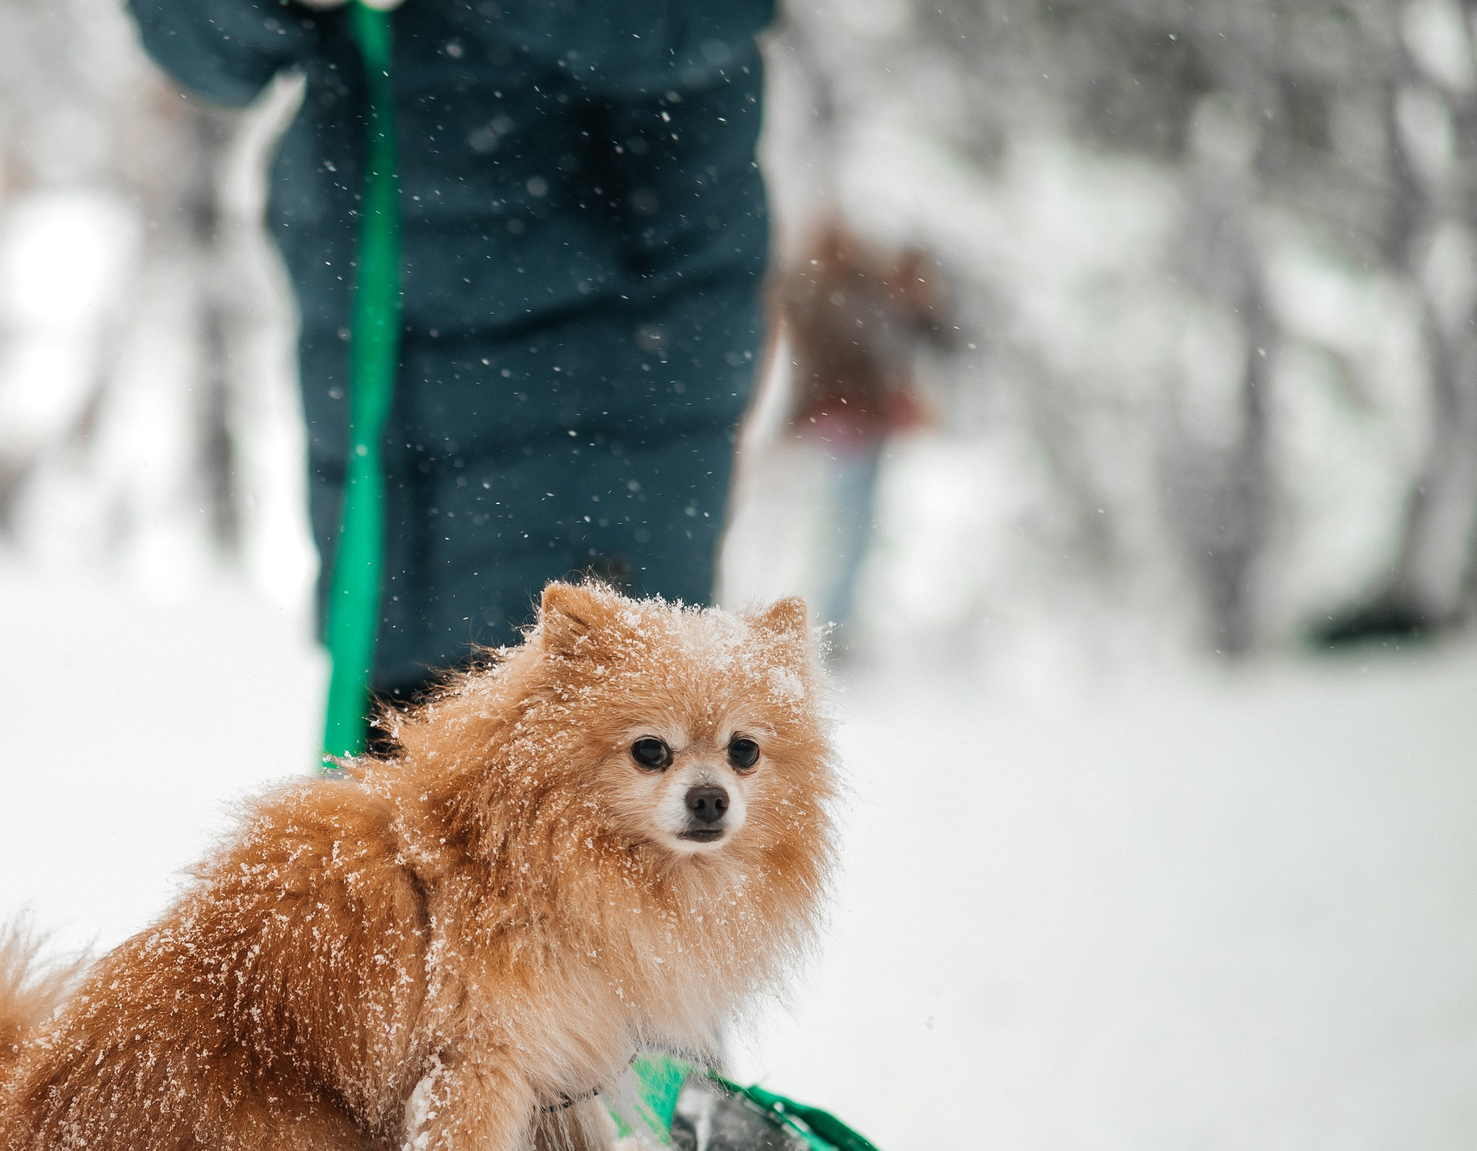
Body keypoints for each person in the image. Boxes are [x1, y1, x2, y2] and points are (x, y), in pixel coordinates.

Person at [127, 0, 776, 720]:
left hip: (601, 370)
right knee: (401, 767)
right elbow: (192, 38)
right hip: (379, 399)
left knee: (585, 764)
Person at [767, 216, 945, 645]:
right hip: (846, 425)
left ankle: (819, 621)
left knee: (839, 526)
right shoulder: (849, 299)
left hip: (841, 424)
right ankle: (824, 623)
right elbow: (849, 364)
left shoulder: (830, 296)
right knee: (843, 527)